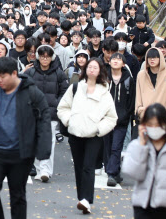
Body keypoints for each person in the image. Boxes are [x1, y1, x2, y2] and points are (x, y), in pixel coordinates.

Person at [0, 56, 52, 219]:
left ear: (14, 73)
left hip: (21, 153)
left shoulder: (31, 92)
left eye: (3, 76)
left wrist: (43, 151)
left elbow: (44, 119)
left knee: (17, 194)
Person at [57, 58, 117, 214]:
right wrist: (70, 121)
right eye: (89, 66)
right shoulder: (76, 87)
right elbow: (63, 107)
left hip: (94, 135)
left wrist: (99, 129)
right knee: (78, 166)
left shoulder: (104, 91)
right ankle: (82, 198)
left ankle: (86, 199)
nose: (91, 69)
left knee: (88, 166)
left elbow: (111, 117)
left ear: (100, 71)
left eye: (95, 67)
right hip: (75, 133)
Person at [25, 44, 69, 182]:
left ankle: (46, 170)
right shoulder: (30, 72)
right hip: (33, 111)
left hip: (51, 111)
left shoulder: (59, 73)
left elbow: (65, 91)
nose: (45, 59)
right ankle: (39, 169)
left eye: (48, 56)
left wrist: (58, 103)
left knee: (49, 141)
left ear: (52, 57)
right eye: (42, 56)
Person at [104, 52, 135, 187]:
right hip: (105, 118)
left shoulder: (128, 79)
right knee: (107, 147)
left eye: (119, 59)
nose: (116, 61)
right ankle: (115, 171)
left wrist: (127, 115)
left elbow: (131, 100)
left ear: (123, 64)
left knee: (116, 147)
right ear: (109, 62)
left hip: (121, 120)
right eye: (113, 59)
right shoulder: (104, 77)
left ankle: (111, 173)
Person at [136, 48, 166, 129]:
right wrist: (140, 111)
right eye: (149, 57)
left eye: (155, 57)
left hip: (164, 118)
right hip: (146, 117)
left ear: (160, 58)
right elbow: (138, 96)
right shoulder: (141, 75)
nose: (152, 59)